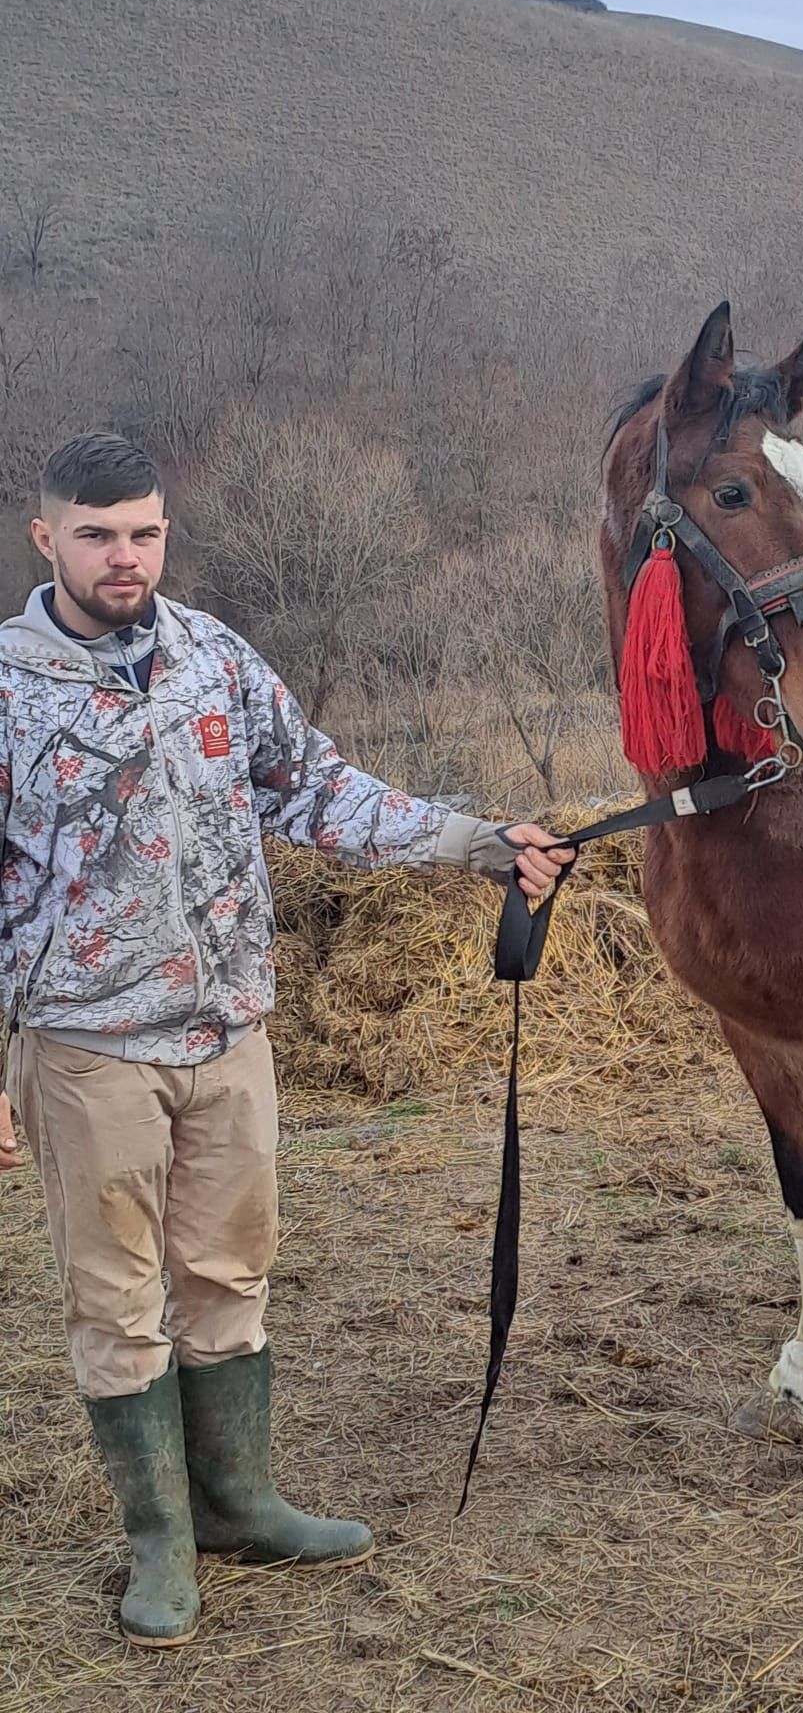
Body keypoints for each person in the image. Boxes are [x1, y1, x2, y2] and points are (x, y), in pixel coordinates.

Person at [0, 432, 573, 1648]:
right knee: (117, 1298)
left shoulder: (213, 656)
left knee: (231, 1272)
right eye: (97, 533)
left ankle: (240, 1503)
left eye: (144, 530)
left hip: (231, 1029)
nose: (125, 555)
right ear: (43, 536)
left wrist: (479, 842)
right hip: (87, 1044)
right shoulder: (7, 686)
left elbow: (317, 787)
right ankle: (159, 1539)